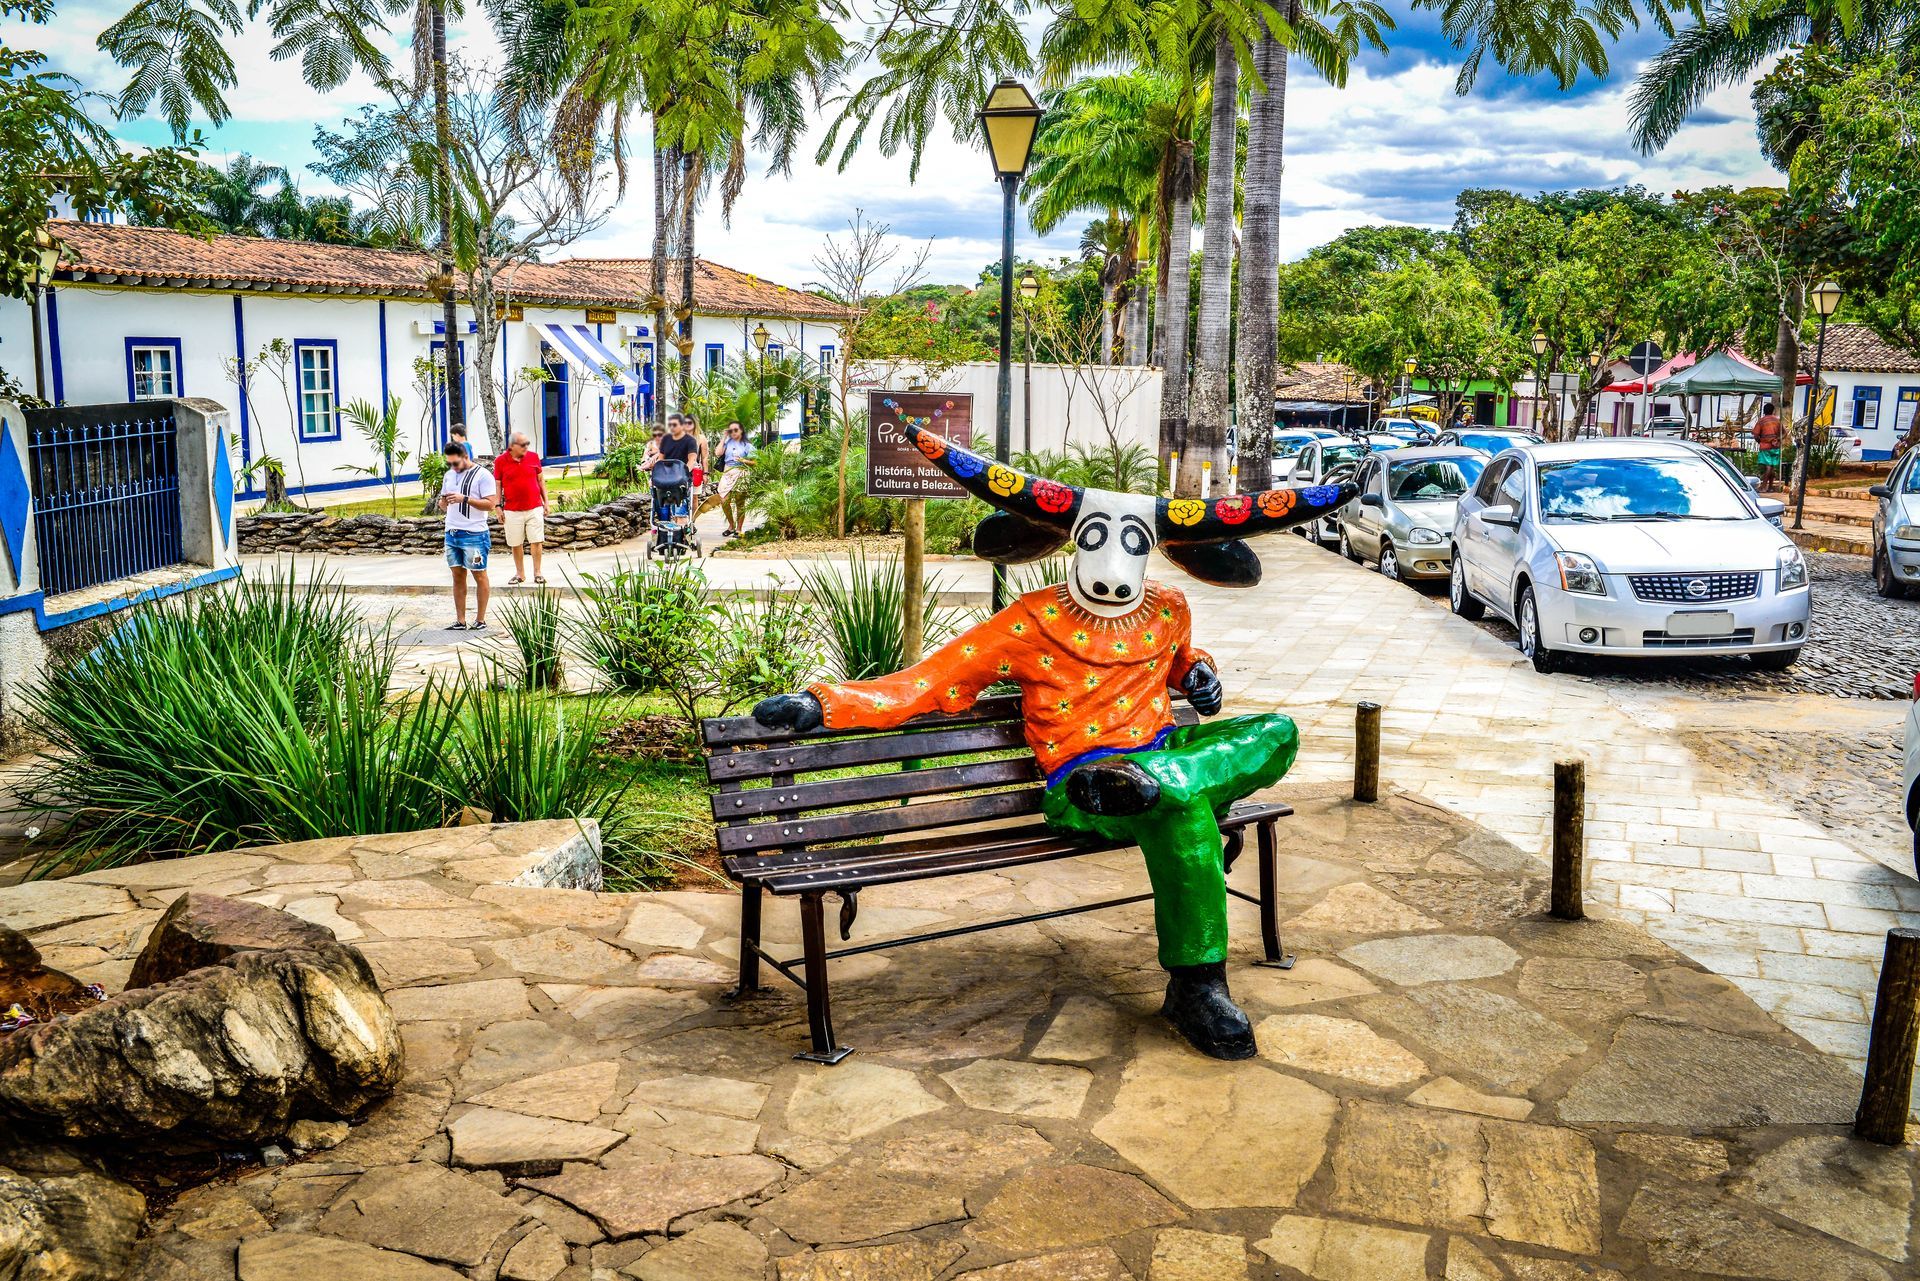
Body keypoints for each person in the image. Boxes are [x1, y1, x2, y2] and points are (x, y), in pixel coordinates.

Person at [437, 439, 496, 631]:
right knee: (457, 575)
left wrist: (465, 499)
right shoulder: (449, 475)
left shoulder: (483, 475)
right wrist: (443, 503)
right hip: (452, 532)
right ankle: (460, 621)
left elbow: (491, 504)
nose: (453, 466)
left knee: (479, 574)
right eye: (450, 462)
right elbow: (444, 503)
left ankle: (480, 620)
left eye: (455, 462)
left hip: (474, 533)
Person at [492, 429, 547, 585]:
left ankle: (537, 572)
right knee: (516, 543)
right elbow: (498, 485)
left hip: (534, 506)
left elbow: (541, 481)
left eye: (527, 444)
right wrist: (497, 506)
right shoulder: (500, 461)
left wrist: (546, 502)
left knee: (537, 541)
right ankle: (520, 574)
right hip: (512, 509)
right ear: (512, 446)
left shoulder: (534, 457)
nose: (526, 447)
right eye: (522, 444)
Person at [644, 414, 701, 530]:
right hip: (665, 478)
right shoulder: (666, 440)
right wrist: (654, 474)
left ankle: (680, 534)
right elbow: (661, 459)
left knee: (680, 511)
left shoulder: (690, 441)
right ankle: (668, 532)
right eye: (670, 425)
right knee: (664, 508)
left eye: (674, 424)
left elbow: (692, 459)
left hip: (681, 479)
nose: (672, 427)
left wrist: (683, 474)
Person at [715, 420, 756, 537]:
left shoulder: (747, 445)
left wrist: (744, 460)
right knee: (724, 500)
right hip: (728, 472)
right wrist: (724, 437)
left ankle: (739, 529)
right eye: (730, 430)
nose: (733, 432)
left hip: (741, 471)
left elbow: (755, 462)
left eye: (735, 430)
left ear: (741, 430)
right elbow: (718, 453)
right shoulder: (727, 442)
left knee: (740, 501)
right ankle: (731, 525)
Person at [1754, 401, 1783, 490]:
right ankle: (1770, 487)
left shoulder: (1761, 421)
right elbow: (1785, 433)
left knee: (1768, 467)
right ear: (1773, 411)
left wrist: (1760, 441)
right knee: (1772, 467)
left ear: (1764, 411)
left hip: (1765, 447)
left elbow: (1756, 434)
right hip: (1775, 447)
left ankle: (1763, 486)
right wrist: (1778, 439)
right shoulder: (1777, 420)